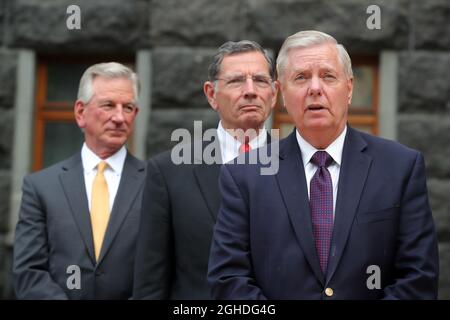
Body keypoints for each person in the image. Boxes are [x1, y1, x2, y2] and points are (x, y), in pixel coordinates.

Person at [207, 30, 439, 299]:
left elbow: (418, 278)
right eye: (301, 77)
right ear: (281, 93)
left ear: (349, 88)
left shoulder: (400, 168)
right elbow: (229, 280)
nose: (315, 88)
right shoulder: (244, 175)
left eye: (328, 76)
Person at [133, 40, 278, 299]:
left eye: (260, 80)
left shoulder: (303, 166)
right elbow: (150, 283)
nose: (250, 91)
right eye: (236, 81)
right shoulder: (168, 172)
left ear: (274, 93)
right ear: (211, 95)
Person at [13, 62, 146, 299]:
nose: (119, 117)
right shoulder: (41, 187)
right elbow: (29, 271)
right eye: (108, 105)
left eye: (127, 107)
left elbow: (164, 269)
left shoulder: (156, 184)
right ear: (80, 113)